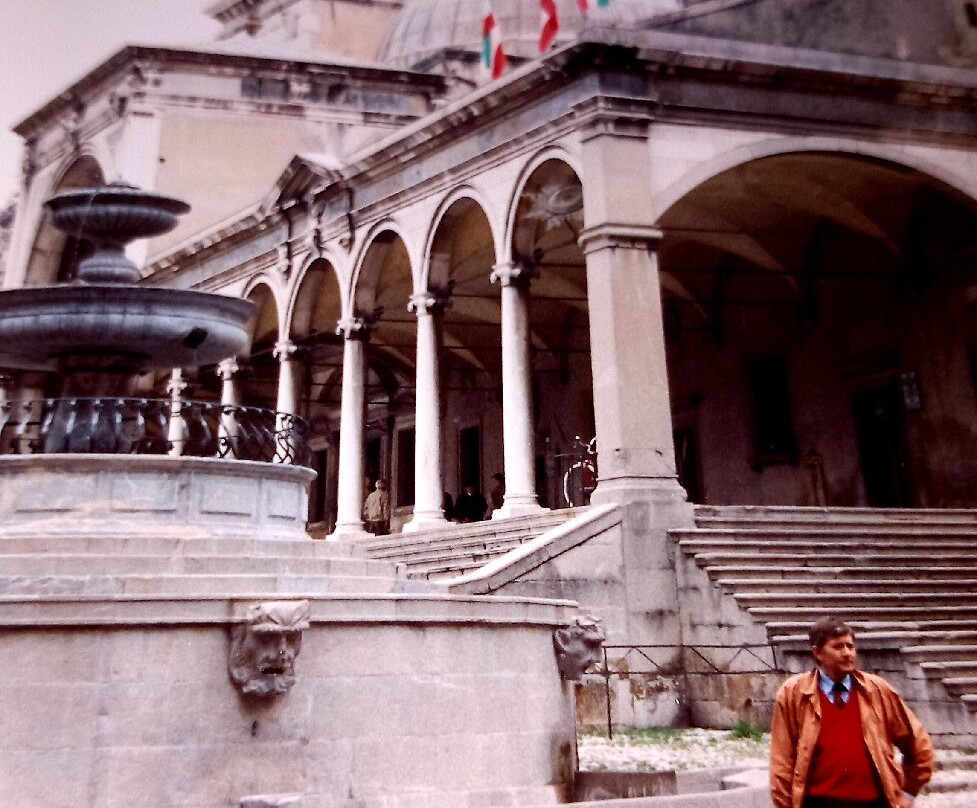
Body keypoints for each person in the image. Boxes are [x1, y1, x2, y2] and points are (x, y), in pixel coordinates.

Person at [770, 616, 934, 808]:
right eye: (838, 647)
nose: (847, 653)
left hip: (874, 802)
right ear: (818, 652)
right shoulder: (794, 694)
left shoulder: (878, 690)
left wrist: (908, 793)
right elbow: (782, 761)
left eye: (850, 646)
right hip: (819, 802)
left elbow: (918, 744)